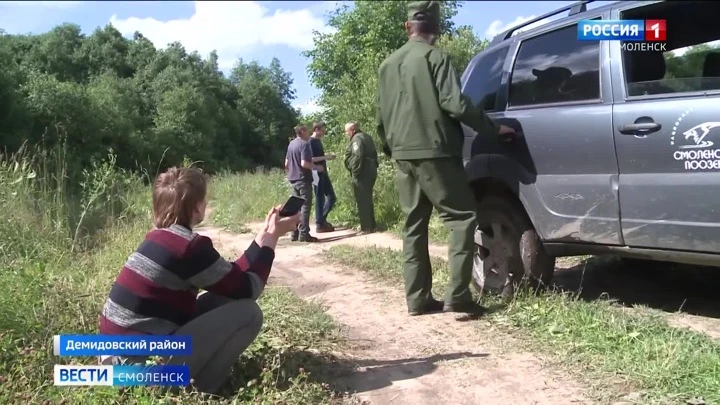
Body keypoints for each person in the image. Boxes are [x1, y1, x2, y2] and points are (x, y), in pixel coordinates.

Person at [98, 167, 300, 394]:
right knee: (249, 313)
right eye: (204, 200)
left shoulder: (160, 239)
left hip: (114, 364)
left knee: (222, 299)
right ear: (196, 207)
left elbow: (232, 279)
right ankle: (201, 390)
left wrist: (264, 234)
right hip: (137, 374)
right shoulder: (188, 247)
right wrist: (273, 238)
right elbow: (249, 288)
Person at [375, 1, 516, 316]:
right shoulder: (435, 58)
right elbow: (455, 103)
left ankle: (418, 300)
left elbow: (381, 118)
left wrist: (394, 150)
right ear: (436, 28)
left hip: (402, 156)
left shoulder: (387, 64)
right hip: (436, 152)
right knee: (462, 218)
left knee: (413, 226)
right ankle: (458, 296)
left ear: (407, 27)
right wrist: (494, 128)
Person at [285, 124, 324, 242]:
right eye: (307, 131)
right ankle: (304, 234)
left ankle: (294, 234)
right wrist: (317, 167)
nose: (309, 133)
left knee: (295, 208)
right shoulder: (304, 144)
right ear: (302, 131)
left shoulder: (291, 144)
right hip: (303, 179)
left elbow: (286, 164)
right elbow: (304, 164)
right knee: (305, 207)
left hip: (293, 178)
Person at [343, 121, 378, 235]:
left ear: (352, 129)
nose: (346, 133)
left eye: (347, 131)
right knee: (367, 198)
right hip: (371, 170)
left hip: (363, 172)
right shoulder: (366, 136)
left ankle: (366, 228)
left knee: (362, 200)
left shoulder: (357, 139)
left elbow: (358, 156)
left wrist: (355, 171)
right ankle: (372, 225)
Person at [309, 121, 337, 233]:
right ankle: (320, 224)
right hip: (315, 173)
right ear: (317, 129)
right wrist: (326, 157)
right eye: (323, 129)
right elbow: (310, 159)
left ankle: (321, 220)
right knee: (319, 198)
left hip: (323, 172)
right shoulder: (310, 142)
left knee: (331, 197)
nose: (324, 131)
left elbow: (318, 156)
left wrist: (325, 157)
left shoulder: (318, 141)